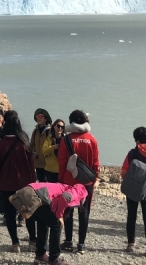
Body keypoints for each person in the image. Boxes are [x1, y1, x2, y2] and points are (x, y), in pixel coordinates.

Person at [0, 110, 36, 253]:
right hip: (24, 184)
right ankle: (33, 241)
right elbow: (31, 166)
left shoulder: (0, 144)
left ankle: (15, 243)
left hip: (6, 184)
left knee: (9, 215)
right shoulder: (25, 143)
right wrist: (33, 184)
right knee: (28, 213)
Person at [57, 109, 100, 255]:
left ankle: (68, 241)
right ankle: (81, 244)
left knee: (68, 211)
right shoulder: (92, 139)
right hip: (86, 183)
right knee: (84, 212)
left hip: (68, 182)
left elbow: (62, 163)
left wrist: (61, 180)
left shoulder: (66, 140)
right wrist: (94, 178)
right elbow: (95, 164)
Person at [121, 126, 146, 256]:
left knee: (131, 216)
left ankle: (131, 244)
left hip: (133, 188)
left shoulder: (132, 153)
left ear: (136, 140)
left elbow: (124, 172)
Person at [26, 182, 88, 265]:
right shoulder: (78, 192)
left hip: (29, 192)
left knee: (43, 222)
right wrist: (60, 216)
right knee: (56, 225)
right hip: (36, 195)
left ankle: (40, 255)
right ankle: (54, 258)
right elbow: (64, 198)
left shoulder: (65, 187)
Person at [31, 108, 53, 183]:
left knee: (48, 185)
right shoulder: (35, 131)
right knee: (41, 184)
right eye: (37, 117)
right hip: (37, 163)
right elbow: (31, 145)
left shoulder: (50, 131)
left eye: (40, 116)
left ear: (45, 119)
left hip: (48, 164)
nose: (38, 118)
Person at [42, 118, 64, 183]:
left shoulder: (65, 139)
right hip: (50, 169)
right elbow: (44, 151)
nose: (60, 128)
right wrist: (53, 147)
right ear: (54, 126)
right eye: (58, 126)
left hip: (61, 170)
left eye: (62, 127)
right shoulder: (49, 138)